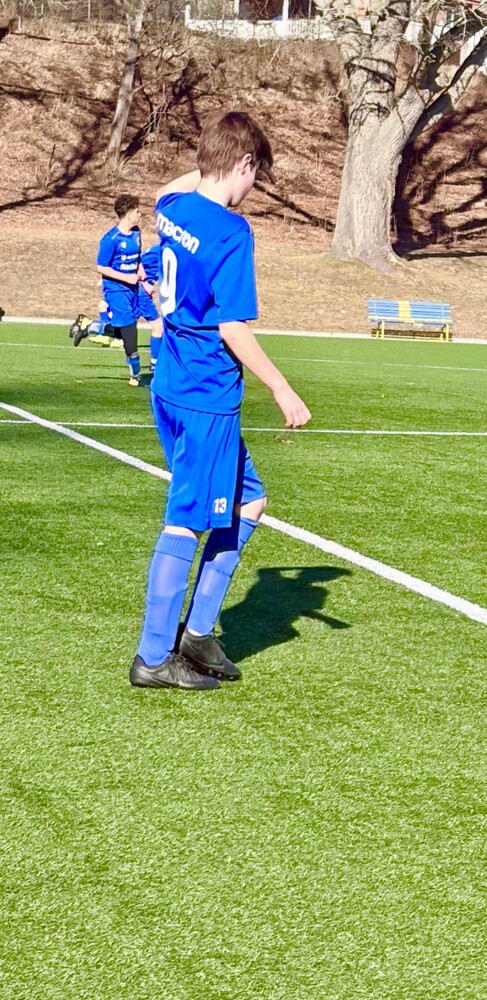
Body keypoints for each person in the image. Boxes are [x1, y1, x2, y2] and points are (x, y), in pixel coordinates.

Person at [130, 110, 311, 692]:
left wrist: (209, 169)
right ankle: (153, 656)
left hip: (170, 385)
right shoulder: (232, 231)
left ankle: (198, 633)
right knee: (186, 521)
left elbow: (171, 186)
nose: (252, 188)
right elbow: (232, 326)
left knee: (250, 501)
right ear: (245, 163)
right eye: (254, 174)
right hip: (206, 395)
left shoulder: (172, 209)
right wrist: (281, 386)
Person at [95, 194, 145, 386]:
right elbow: (101, 267)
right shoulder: (111, 239)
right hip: (116, 289)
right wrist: (126, 277)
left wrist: (141, 269)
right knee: (130, 329)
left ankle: (91, 327)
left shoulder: (136, 233)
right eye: (137, 211)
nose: (140, 215)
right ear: (129, 213)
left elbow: (137, 257)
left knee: (123, 330)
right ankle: (136, 375)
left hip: (132, 289)